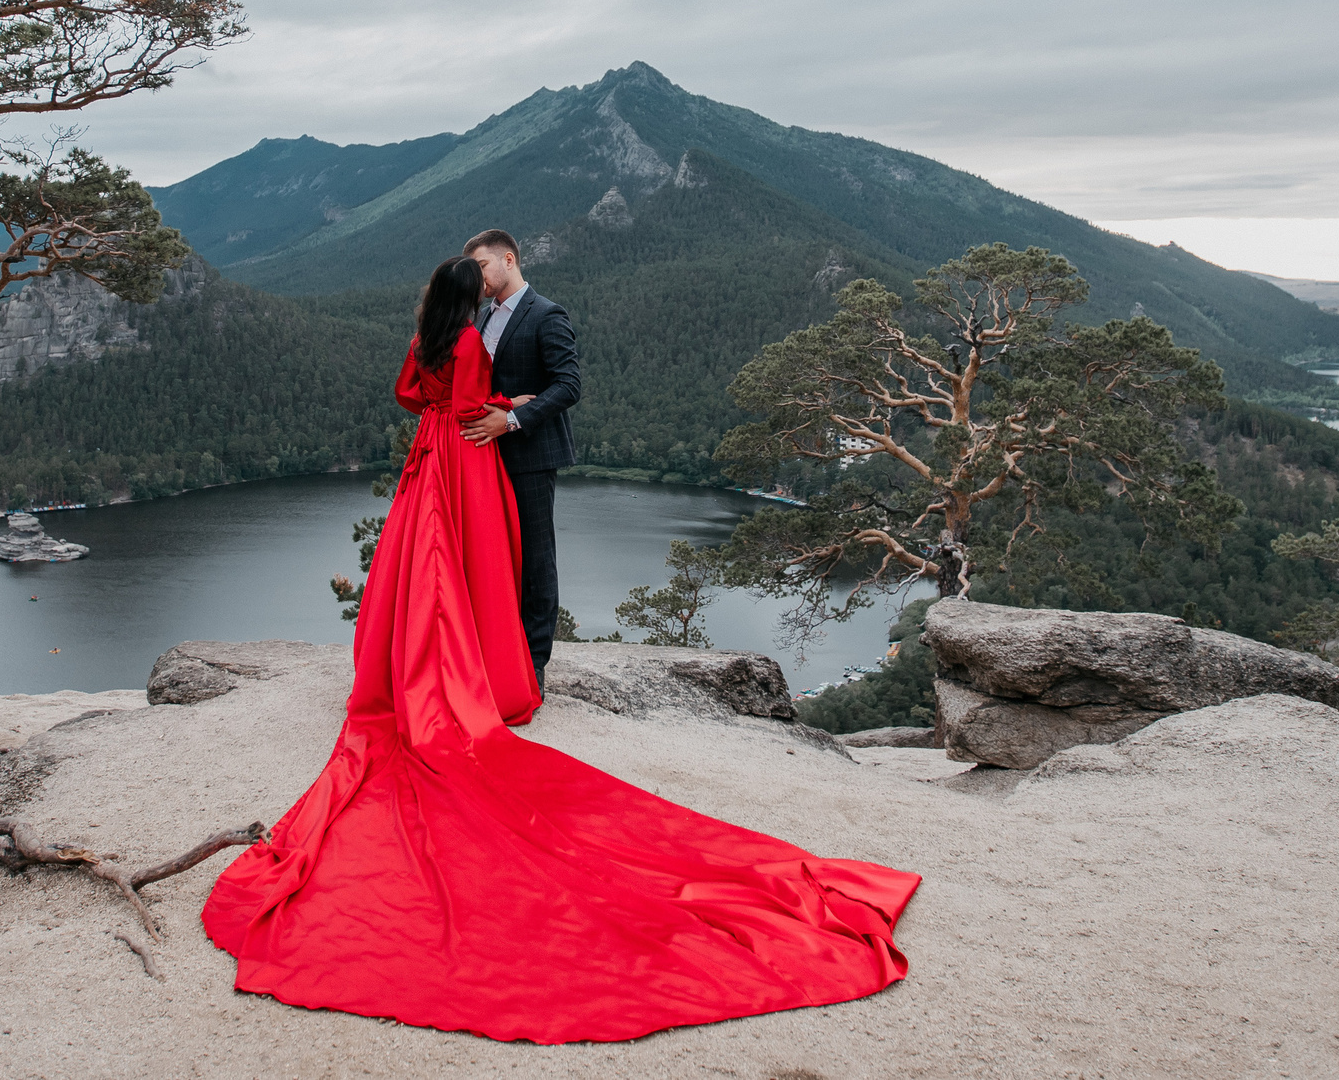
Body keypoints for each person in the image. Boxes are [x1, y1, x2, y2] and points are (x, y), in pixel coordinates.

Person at [201, 254, 919, 1044]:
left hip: (428, 455)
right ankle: (483, 674)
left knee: (426, 569)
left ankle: (414, 670)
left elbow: (413, 395)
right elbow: (472, 402)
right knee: (478, 565)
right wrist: (497, 404)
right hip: (467, 454)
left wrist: (473, 405)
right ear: (468, 293)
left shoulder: (426, 338)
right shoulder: (467, 339)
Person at [456, 228, 577, 684]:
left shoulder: (546, 313)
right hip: (485, 459)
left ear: (509, 260)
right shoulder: (482, 319)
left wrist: (509, 420)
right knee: (495, 558)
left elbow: (568, 386)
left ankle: (534, 666)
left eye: (482, 266)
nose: (478, 277)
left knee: (535, 559)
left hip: (531, 455)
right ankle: (499, 658)